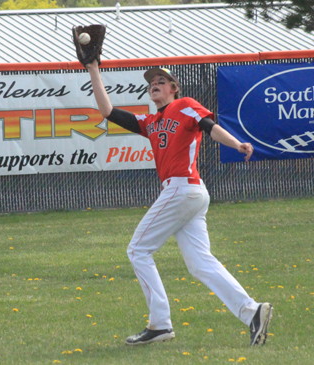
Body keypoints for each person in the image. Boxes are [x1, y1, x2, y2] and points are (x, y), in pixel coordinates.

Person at [86, 60, 273, 347]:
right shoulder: (151, 123)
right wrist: (92, 68)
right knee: (200, 264)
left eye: (161, 80)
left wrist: (237, 144)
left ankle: (159, 324)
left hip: (182, 188)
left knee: (138, 249)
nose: (155, 83)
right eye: (152, 81)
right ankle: (252, 313)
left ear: (174, 88)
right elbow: (107, 111)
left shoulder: (184, 104)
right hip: (189, 195)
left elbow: (209, 127)